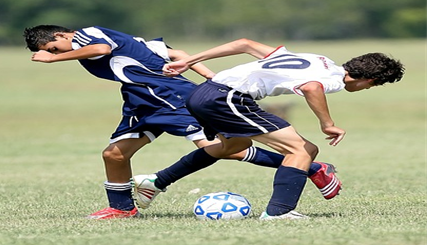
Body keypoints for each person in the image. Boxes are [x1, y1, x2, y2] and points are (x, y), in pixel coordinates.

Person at [24, 26, 342, 219]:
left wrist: (53, 59)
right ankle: (122, 208)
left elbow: (102, 48)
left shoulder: (88, 35)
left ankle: (312, 167)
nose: (54, 52)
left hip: (169, 94)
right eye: (50, 52)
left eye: (53, 47)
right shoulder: (113, 39)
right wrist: (208, 76)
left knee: (224, 148)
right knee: (114, 154)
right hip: (141, 98)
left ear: (62, 35)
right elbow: (174, 52)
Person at [132, 38, 405, 220]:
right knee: (303, 149)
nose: (366, 89)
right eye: (372, 85)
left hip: (203, 93)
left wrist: (189, 61)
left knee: (232, 147)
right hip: (226, 98)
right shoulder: (333, 78)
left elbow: (245, 44)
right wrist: (328, 124)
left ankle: (156, 181)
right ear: (370, 78)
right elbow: (312, 88)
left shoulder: (318, 59)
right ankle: (279, 212)